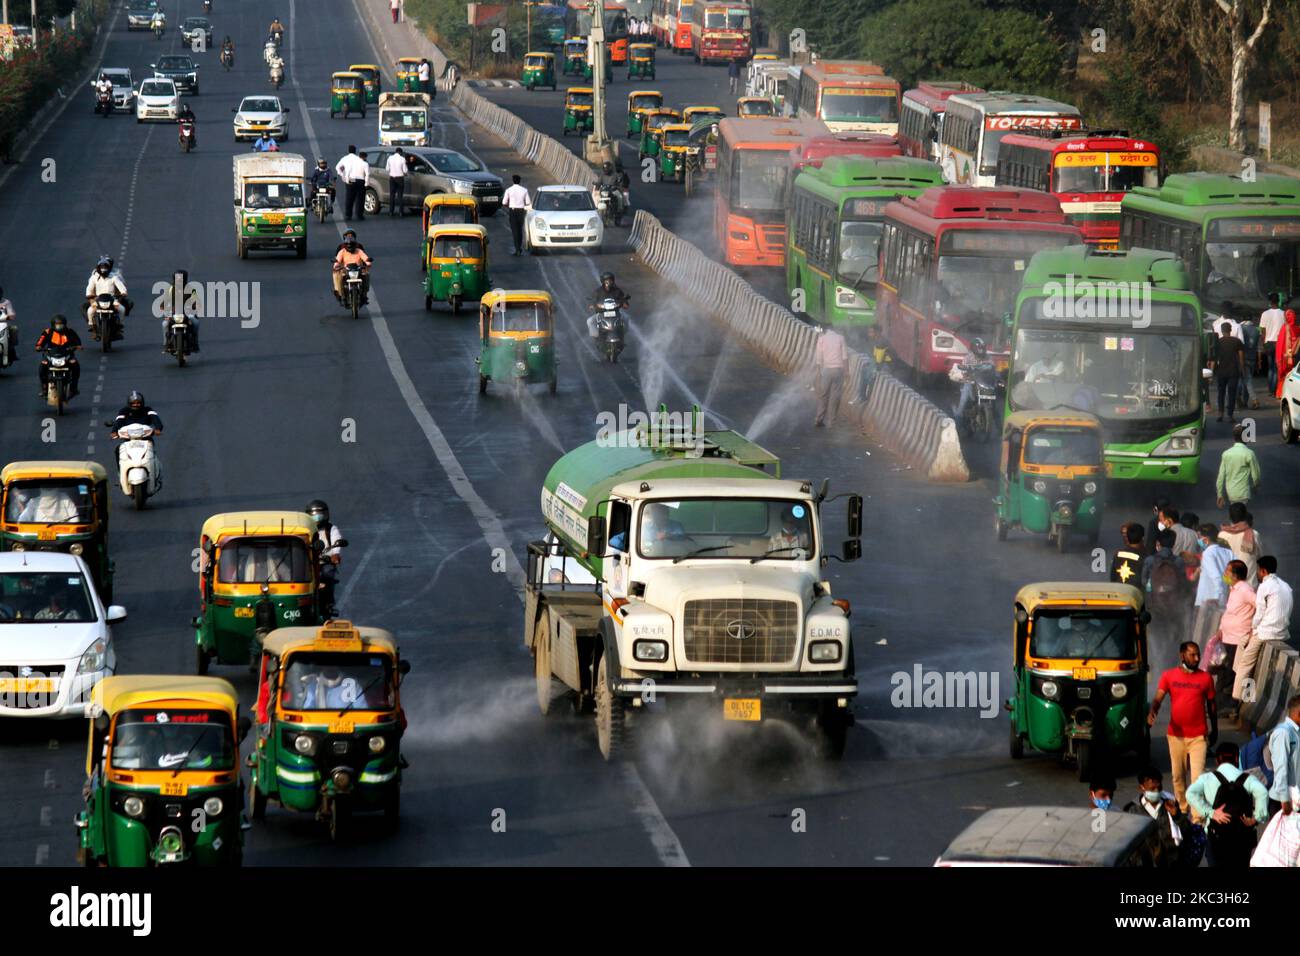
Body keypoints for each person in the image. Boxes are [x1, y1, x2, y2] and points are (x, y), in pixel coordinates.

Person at [1148, 641, 1217, 819]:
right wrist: (1153, 710)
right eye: (1192, 654)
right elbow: (1158, 697)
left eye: (1198, 654)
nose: (1197, 658)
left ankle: (1197, 817)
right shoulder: (1169, 676)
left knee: (1198, 779)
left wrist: (1214, 728)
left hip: (1198, 737)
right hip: (1176, 736)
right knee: (1178, 777)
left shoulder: (1205, 678)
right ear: (1182, 656)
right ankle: (1182, 809)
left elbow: (1212, 705)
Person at [1186, 741, 1268, 867]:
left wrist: (1211, 812)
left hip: (1215, 836)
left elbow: (1190, 793)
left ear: (1217, 760)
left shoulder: (1207, 778)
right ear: (1237, 758)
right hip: (1242, 838)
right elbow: (1262, 792)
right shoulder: (1248, 778)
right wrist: (1256, 818)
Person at [1232, 556, 1293, 711]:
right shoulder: (1286, 586)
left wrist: (1254, 628)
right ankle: (1238, 676)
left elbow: (1260, 613)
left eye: (1258, 571)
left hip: (1265, 633)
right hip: (1282, 632)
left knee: (1246, 664)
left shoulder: (1265, 586)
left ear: (1263, 571)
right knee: (1243, 643)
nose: (1257, 574)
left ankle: (1238, 698)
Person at [1123, 767, 1190, 865]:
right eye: (1152, 789)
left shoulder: (1170, 803)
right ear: (1142, 787)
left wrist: (1177, 816)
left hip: (1171, 860)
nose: (1156, 791)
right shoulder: (1132, 810)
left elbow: (1185, 830)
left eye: (1159, 788)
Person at [1191, 524, 1231, 651]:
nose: (1199, 540)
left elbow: (1217, 577)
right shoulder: (1229, 552)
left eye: (1199, 537)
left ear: (1205, 539)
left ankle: (1200, 668)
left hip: (1207, 603)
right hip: (1223, 605)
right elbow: (1231, 578)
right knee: (1215, 642)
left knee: (1201, 640)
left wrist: (1219, 598)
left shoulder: (1208, 553)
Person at [306, 500, 343, 615]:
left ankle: (329, 603)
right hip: (308, 561)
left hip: (326, 561)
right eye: (314, 515)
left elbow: (337, 539)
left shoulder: (331, 529)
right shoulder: (306, 528)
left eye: (320, 515)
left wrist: (335, 554)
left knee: (328, 573)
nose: (317, 518)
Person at [108, 391, 162, 466]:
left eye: (138, 403)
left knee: (151, 450)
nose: (136, 405)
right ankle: (120, 471)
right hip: (128, 439)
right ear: (129, 404)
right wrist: (114, 431)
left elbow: (156, 419)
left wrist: (158, 428)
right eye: (133, 403)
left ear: (142, 403)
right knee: (118, 450)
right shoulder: (124, 411)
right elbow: (118, 421)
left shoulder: (148, 410)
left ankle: (153, 469)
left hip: (145, 438)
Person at [33, 314, 81, 399]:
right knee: (42, 368)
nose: (59, 327)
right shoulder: (47, 332)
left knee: (75, 366)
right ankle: (44, 388)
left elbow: (77, 341)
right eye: (57, 325)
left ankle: (74, 388)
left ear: (65, 325)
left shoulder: (70, 331)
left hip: (67, 354)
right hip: (50, 354)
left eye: (61, 325)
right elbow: (40, 341)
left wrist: (78, 346)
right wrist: (38, 346)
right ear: (53, 325)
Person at [1214, 424, 1260, 510]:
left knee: (1234, 514)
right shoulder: (1249, 453)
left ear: (1234, 437)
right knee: (1241, 515)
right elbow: (1256, 475)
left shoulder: (1226, 453)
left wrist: (1220, 495)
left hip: (1230, 493)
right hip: (1243, 493)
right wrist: (1256, 486)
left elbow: (1220, 477)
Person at [1268, 696, 1300, 818]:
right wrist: (1284, 800)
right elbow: (1281, 767)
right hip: (1283, 801)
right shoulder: (1283, 733)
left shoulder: (1296, 732)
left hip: (1295, 799)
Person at [156, 269, 201, 354]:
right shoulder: (170, 289)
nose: (179, 280)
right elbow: (164, 300)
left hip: (187, 312)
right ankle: (166, 344)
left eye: (181, 278)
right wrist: (162, 307)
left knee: (195, 323)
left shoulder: (191, 289)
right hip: (173, 312)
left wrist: (196, 305)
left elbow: (196, 300)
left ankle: (195, 343)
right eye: (178, 278)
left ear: (185, 278)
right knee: (165, 324)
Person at [813, 321, 849, 427]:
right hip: (838, 370)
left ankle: (819, 419)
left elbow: (818, 358)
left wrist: (818, 372)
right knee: (835, 396)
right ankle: (831, 421)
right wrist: (847, 371)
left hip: (826, 370)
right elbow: (845, 357)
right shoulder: (840, 338)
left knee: (823, 395)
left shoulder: (822, 339)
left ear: (824, 330)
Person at [84, 256, 128, 341]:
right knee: (90, 311)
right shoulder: (94, 278)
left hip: (112, 299)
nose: (103, 269)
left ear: (109, 268)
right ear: (98, 268)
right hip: (98, 299)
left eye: (105, 267)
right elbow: (89, 289)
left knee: (122, 309)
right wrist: (89, 295)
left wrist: (123, 293)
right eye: (102, 267)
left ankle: (119, 326)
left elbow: (122, 287)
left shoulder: (114, 277)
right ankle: (93, 329)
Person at [1209, 320, 1246, 422]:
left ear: (1221, 330)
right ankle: (1230, 415)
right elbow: (1241, 357)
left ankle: (1220, 413)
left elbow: (1214, 359)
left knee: (1221, 393)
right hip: (1234, 371)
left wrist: (1211, 374)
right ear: (1230, 330)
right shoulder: (1237, 341)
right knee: (1232, 393)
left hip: (1222, 372)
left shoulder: (1218, 342)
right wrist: (1242, 370)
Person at [586, 272, 631, 339]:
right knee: (590, 321)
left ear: (613, 281)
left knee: (626, 317)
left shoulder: (617, 291)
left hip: (616, 313)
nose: (608, 282)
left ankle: (623, 333)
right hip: (601, 313)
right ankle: (596, 336)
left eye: (610, 280)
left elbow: (623, 300)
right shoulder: (598, 292)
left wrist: (624, 303)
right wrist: (592, 305)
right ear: (603, 281)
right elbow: (592, 301)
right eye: (606, 280)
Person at [332, 232, 373, 305]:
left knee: (366, 274)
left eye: (351, 244)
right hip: (346, 270)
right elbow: (337, 260)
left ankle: (364, 294)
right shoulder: (342, 251)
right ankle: (342, 296)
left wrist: (368, 262)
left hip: (358, 270)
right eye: (348, 244)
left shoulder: (359, 250)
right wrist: (336, 264)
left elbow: (365, 257)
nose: (349, 246)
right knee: (340, 277)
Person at [336, 145, 370, 221]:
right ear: (355, 151)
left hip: (351, 180)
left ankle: (348, 215)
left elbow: (339, 168)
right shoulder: (359, 160)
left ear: (348, 150)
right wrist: (366, 184)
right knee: (360, 199)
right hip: (361, 181)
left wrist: (344, 176)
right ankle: (359, 215)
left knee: (349, 198)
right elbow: (367, 174)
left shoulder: (345, 158)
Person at [1260, 293, 1285, 393]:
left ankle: (1271, 390)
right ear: (1278, 301)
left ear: (1270, 302)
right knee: (1277, 367)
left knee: (1270, 368)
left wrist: (1263, 344)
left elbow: (1263, 331)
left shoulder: (1265, 314)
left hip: (1268, 343)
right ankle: (1275, 390)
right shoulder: (1283, 313)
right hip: (1279, 343)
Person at [503, 174, 531, 255]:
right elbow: (528, 202)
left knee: (514, 230)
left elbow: (504, 202)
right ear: (519, 181)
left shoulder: (509, 190)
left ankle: (517, 249)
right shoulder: (524, 190)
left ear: (513, 181)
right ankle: (519, 247)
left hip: (513, 211)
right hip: (521, 211)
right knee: (520, 230)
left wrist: (509, 206)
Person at [1238, 312, 1260, 409]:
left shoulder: (1241, 328)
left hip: (1244, 358)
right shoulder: (1256, 330)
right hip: (1252, 357)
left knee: (1247, 380)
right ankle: (1245, 402)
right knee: (1245, 381)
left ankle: (1255, 400)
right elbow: (1257, 346)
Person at [1276, 308, 1299, 400]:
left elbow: (1281, 344)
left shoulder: (1284, 328)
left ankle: (1281, 393)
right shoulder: (1297, 328)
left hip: (1285, 356)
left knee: (1283, 375)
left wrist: (1282, 357)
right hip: (1295, 356)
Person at [385, 147, 409, 217]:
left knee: (392, 195)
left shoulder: (390, 158)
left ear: (395, 152)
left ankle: (391, 212)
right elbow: (405, 170)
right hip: (400, 178)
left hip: (392, 178)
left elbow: (387, 169)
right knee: (400, 196)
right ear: (400, 152)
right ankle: (401, 212)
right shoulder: (402, 159)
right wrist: (405, 173)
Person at [0, 286, 17, 365]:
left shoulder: (6, 302)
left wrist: (10, 315)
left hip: (3, 323)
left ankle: (11, 347)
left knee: (14, 329)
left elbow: (10, 312)